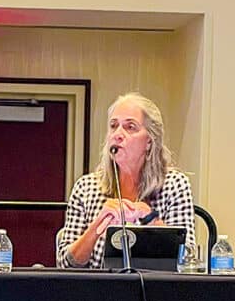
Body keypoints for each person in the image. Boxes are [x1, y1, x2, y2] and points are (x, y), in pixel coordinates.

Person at [57, 92, 195, 269]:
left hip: (155, 292)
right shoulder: (86, 188)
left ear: (149, 142)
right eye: (113, 126)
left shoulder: (174, 185)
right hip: (97, 292)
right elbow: (64, 265)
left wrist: (151, 219)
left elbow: (187, 260)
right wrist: (96, 227)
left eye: (130, 127)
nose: (118, 134)